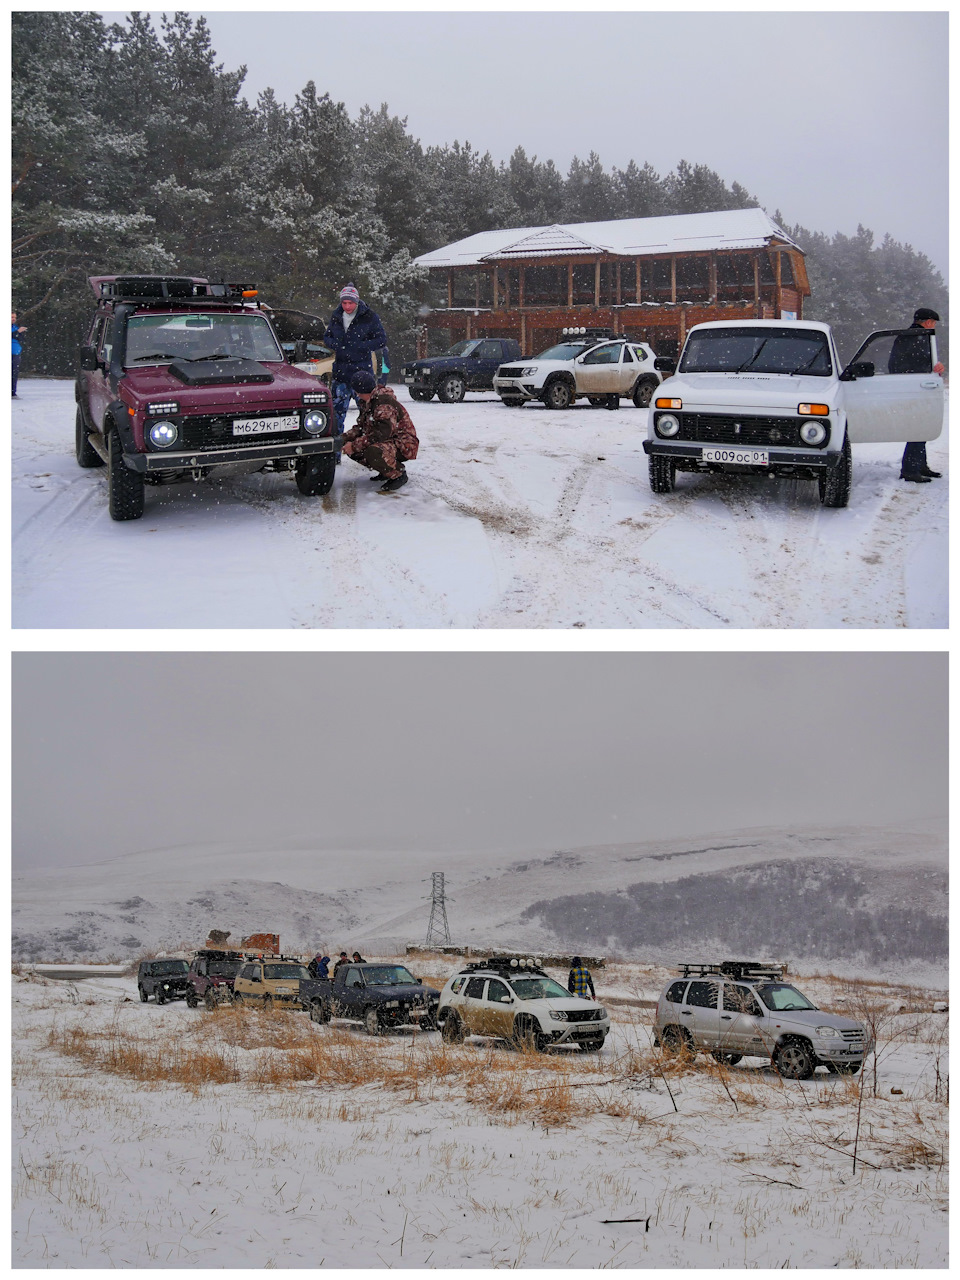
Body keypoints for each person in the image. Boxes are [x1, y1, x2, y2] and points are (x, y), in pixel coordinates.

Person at [339, 369, 419, 493]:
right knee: (354, 448)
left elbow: (380, 435)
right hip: (389, 441)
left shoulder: (384, 405)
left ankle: (398, 474)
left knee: (373, 451)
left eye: (357, 391)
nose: (356, 394)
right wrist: (343, 439)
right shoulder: (369, 402)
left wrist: (354, 446)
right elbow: (361, 428)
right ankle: (385, 471)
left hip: (404, 444)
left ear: (363, 390)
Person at [324, 284, 388, 433]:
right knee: (335, 418)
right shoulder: (336, 315)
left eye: (350, 303)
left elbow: (381, 340)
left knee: (368, 417)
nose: (347, 306)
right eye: (344, 303)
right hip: (341, 374)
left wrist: (361, 346)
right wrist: (336, 345)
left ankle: (368, 450)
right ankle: (336, 453)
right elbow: (327, 337)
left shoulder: (369, 316)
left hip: (362, 374)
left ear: (357, 302)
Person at [891, 308, 945, 483]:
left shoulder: (920, 337)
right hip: (914, 388)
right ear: (928, 322)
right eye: (933, 322)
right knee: (918, 427)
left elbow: (923, 361)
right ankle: (910, 469)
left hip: (920, 387)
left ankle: (920, 466)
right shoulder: (911, 337)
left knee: (924, 427)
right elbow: (898, 365)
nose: (934, 326)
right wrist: (920, 375)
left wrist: (935, 368)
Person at [12, 311, 27, 398]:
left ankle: (13, 392)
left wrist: (19, 333)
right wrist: (17, 333)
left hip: (16, 353)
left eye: (14, 317)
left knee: (14, 373)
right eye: (11, 317)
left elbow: (21, 338)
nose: (13, 319)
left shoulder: (15, 327)